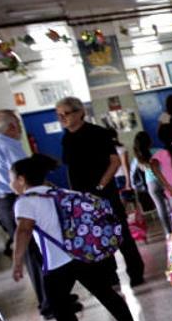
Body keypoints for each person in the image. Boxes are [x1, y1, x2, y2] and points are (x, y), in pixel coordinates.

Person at [9, 154, 149, 321]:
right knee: (106, 294)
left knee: (59, 305)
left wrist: (17, 261)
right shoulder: (61, 192)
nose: (10, 183)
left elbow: (24, 230)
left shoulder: (25, 202)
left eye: (11, 178)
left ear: (21, 179)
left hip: (57, 262)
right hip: (83, 255)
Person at [56, 97, 145, 286]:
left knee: (120, 233)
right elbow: (70, 168)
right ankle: (110, 276)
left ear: (80, 113)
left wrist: (100, 186)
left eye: (66, 114)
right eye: (59, 115)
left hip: (104, 193)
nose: (62, 118)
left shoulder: (98, 133)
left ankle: (136, 273)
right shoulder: (66, 138)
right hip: (82, 197)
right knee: (96, 235)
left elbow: (114, 162)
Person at [0, 110, 48, 312]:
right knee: (34, 249)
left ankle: (49, 297)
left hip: (1, 203)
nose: (20, 130)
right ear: (12, 127)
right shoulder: (8, 145)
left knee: (29, 250)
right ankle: (49, 302)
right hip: (17, 198)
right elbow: (25, 176)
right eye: (18, 125)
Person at [132, 132, 172, 235]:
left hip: (151, 184)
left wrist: (134, 186)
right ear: (149, 141)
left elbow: (133, 174)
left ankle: (168, 233)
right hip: (164, 180)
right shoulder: (159, 151)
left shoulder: (137, 158)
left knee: (161, 208)